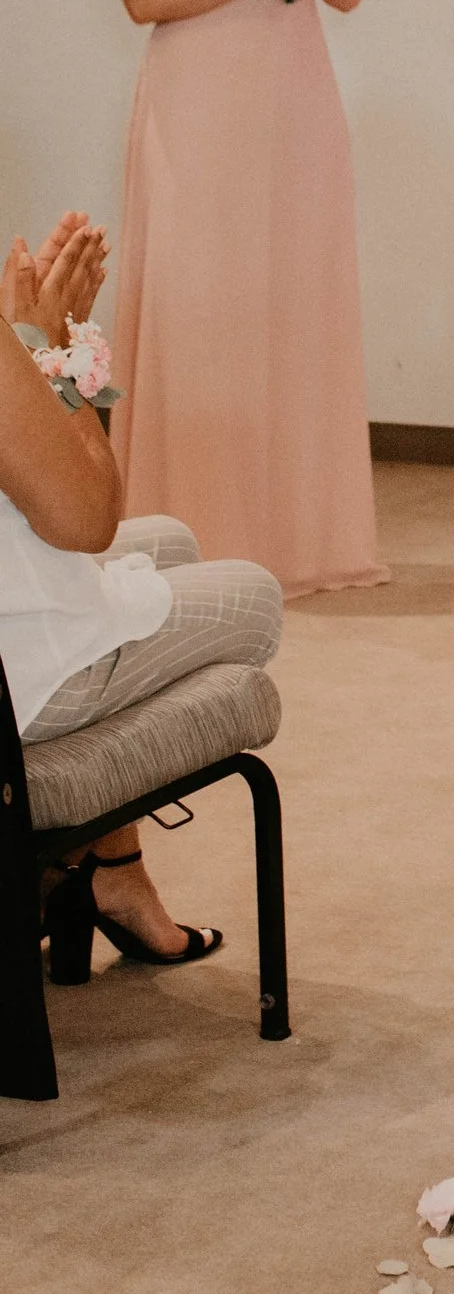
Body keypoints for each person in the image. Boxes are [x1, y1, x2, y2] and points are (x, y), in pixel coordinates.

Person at [111, 0, 384, 597]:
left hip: (295, 106)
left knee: (291, 306)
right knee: (204, 313)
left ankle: (296, 539)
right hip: (198, 110)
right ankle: (198, 542)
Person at [0, 208, 282, 981]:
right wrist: (48, 344)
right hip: (22, 680)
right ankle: (92, 868)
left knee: (172, 543)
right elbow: (88, 515)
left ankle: (114, 869)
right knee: (253, 597)